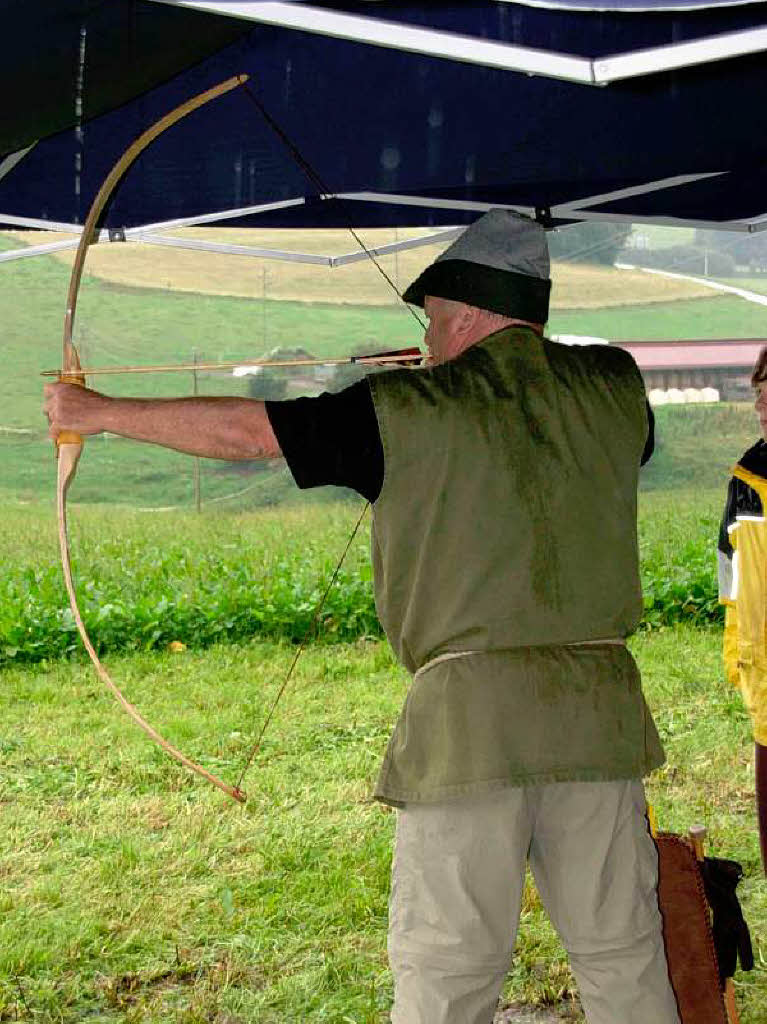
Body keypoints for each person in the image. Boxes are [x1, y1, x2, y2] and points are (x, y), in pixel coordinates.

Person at [44, 209, 679, 1024]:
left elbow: (249, 434)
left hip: (470, 728)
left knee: (447, 967)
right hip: (600, 719)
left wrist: (98, 413)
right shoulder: (615, 387)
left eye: (438, 322)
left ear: (474, 312)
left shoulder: (408, 403)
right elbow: (551, 440)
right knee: (621, 952)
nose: (429, 340)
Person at [718, 345, 767, 875]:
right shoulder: (744, 482)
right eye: (759, 394)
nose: (764, 407)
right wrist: (738, 656)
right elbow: (729, 581)